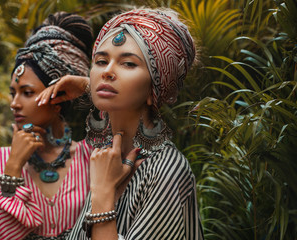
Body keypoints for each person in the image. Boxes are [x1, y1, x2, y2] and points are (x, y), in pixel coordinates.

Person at [37, 8, 204, 240]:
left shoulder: (168, 172)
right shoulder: (108, 158)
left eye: (128, 64)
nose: (106, 72)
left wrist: (103, 193)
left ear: (155, 88)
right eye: (101, 61)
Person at [0, 12, 94, 239]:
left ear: (59, 97)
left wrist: (87, 86)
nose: (14, 104)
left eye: (27, 93)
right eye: (13, 93)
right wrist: (12, 171)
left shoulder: (92, 157)